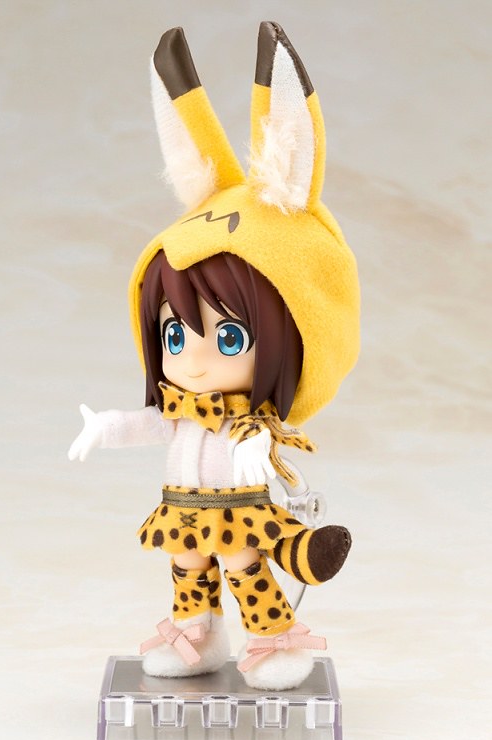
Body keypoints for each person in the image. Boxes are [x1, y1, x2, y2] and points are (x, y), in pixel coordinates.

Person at [69, 22, 360, 691]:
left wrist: (256, 443)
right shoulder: (180, 407)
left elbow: (260, 442)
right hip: (184, 508)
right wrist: (104, 427)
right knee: (186, 565)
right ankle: (196, 635)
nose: (194, 361)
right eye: (175, 337)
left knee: (243, 565)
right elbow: (152, 424)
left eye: (229, 338)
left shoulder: (248, 420)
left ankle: (271, 636)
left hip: (238, 511)